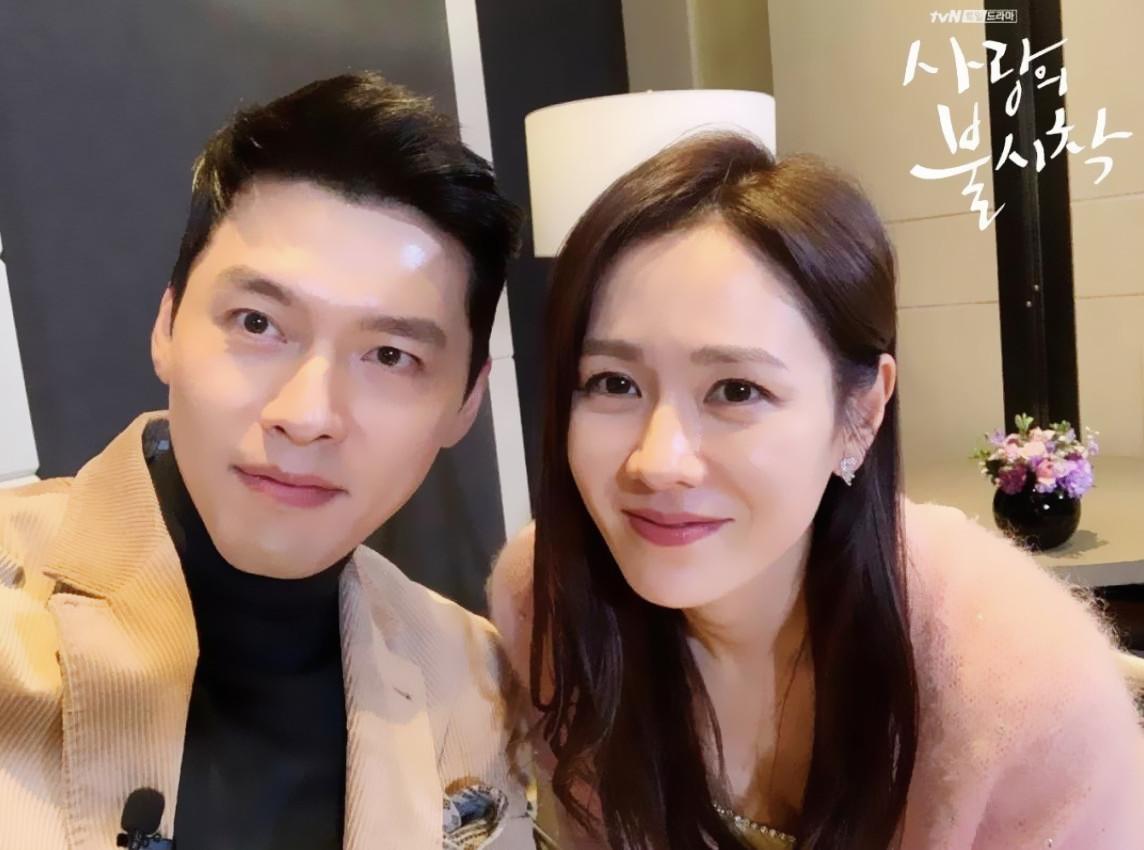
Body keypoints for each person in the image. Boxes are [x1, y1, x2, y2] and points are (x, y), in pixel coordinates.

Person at [489, 132, 1144, 850]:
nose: (658, 461)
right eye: (614, 383)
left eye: (736, 390)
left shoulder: (1020, 686)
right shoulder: (547, 602)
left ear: (861, 412)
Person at [0, 73, 533, 850]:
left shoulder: (477, 680)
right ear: (168, 325)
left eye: (390, 355)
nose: (307, 415)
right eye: (257, 323)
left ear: (466, 401)